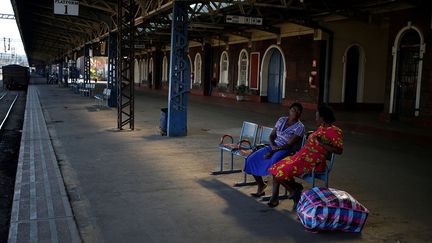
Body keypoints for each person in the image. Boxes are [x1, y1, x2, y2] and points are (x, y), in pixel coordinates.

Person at [267, 105, 343, 210]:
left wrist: (322, 143)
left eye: (317, 116)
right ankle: (294, 190)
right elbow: (319, 137)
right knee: (275, 168)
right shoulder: (321, 127)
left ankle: (294, 192)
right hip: (301, 157)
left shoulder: (335, 131)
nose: (315, 119)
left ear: (323, 118)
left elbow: (339, 150)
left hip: (313, 161)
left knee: (280, 172)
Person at [244, 103, 305, 197]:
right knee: (251, 159)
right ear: (289, 111)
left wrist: (272, 151)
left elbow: (289, 144)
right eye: (293, 110)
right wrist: (272, 147)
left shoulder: (300, 127)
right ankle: (261, 185)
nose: (296, 112)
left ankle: (277, 195)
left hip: (286, 150)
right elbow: (272, 135)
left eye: (298, 111)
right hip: (273, 146)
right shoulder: (282, 120)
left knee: (274, 163)